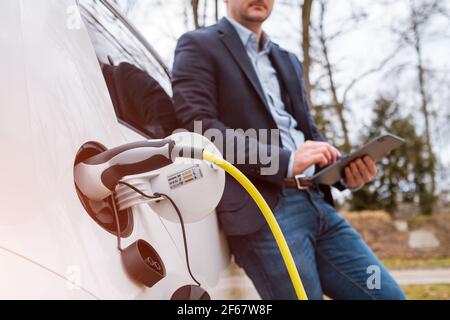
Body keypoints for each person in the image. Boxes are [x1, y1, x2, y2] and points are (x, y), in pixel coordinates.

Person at [172, 0, 406, 300]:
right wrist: (285, 161)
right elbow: (200, 129)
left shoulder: (287, 59)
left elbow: (305, 132)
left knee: (386, 295)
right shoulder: (199, 46)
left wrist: (341, 172)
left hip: (318, 205)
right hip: (266, 213)